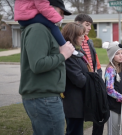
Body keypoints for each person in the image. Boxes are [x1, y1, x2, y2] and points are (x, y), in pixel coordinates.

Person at [19, 0, 75, 135]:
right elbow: (38, 65)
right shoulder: (38, 28)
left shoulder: (44, 29)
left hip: (45, 97)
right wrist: (63, 55)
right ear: (47, 8)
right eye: (60, 12)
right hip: (43, 98)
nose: (61, 17)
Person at [14, 0, 83, 57]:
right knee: (53, 25)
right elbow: (43, 6)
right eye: (61, 13)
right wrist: (57, 19)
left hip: (24, 15)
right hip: (27, 15)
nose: (63, 17)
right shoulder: (37, 28)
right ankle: (66, 47)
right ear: (52, 7)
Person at [74, 14, 103, 135]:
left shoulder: (89, 42)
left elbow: (95, 62)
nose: (90, 28)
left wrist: (99, 75)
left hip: (92, 82)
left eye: (90, 25)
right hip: (81, 84)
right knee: (76, 123)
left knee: (100, 115)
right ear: (77, 24)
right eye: (87, 25)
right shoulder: (72, 43)